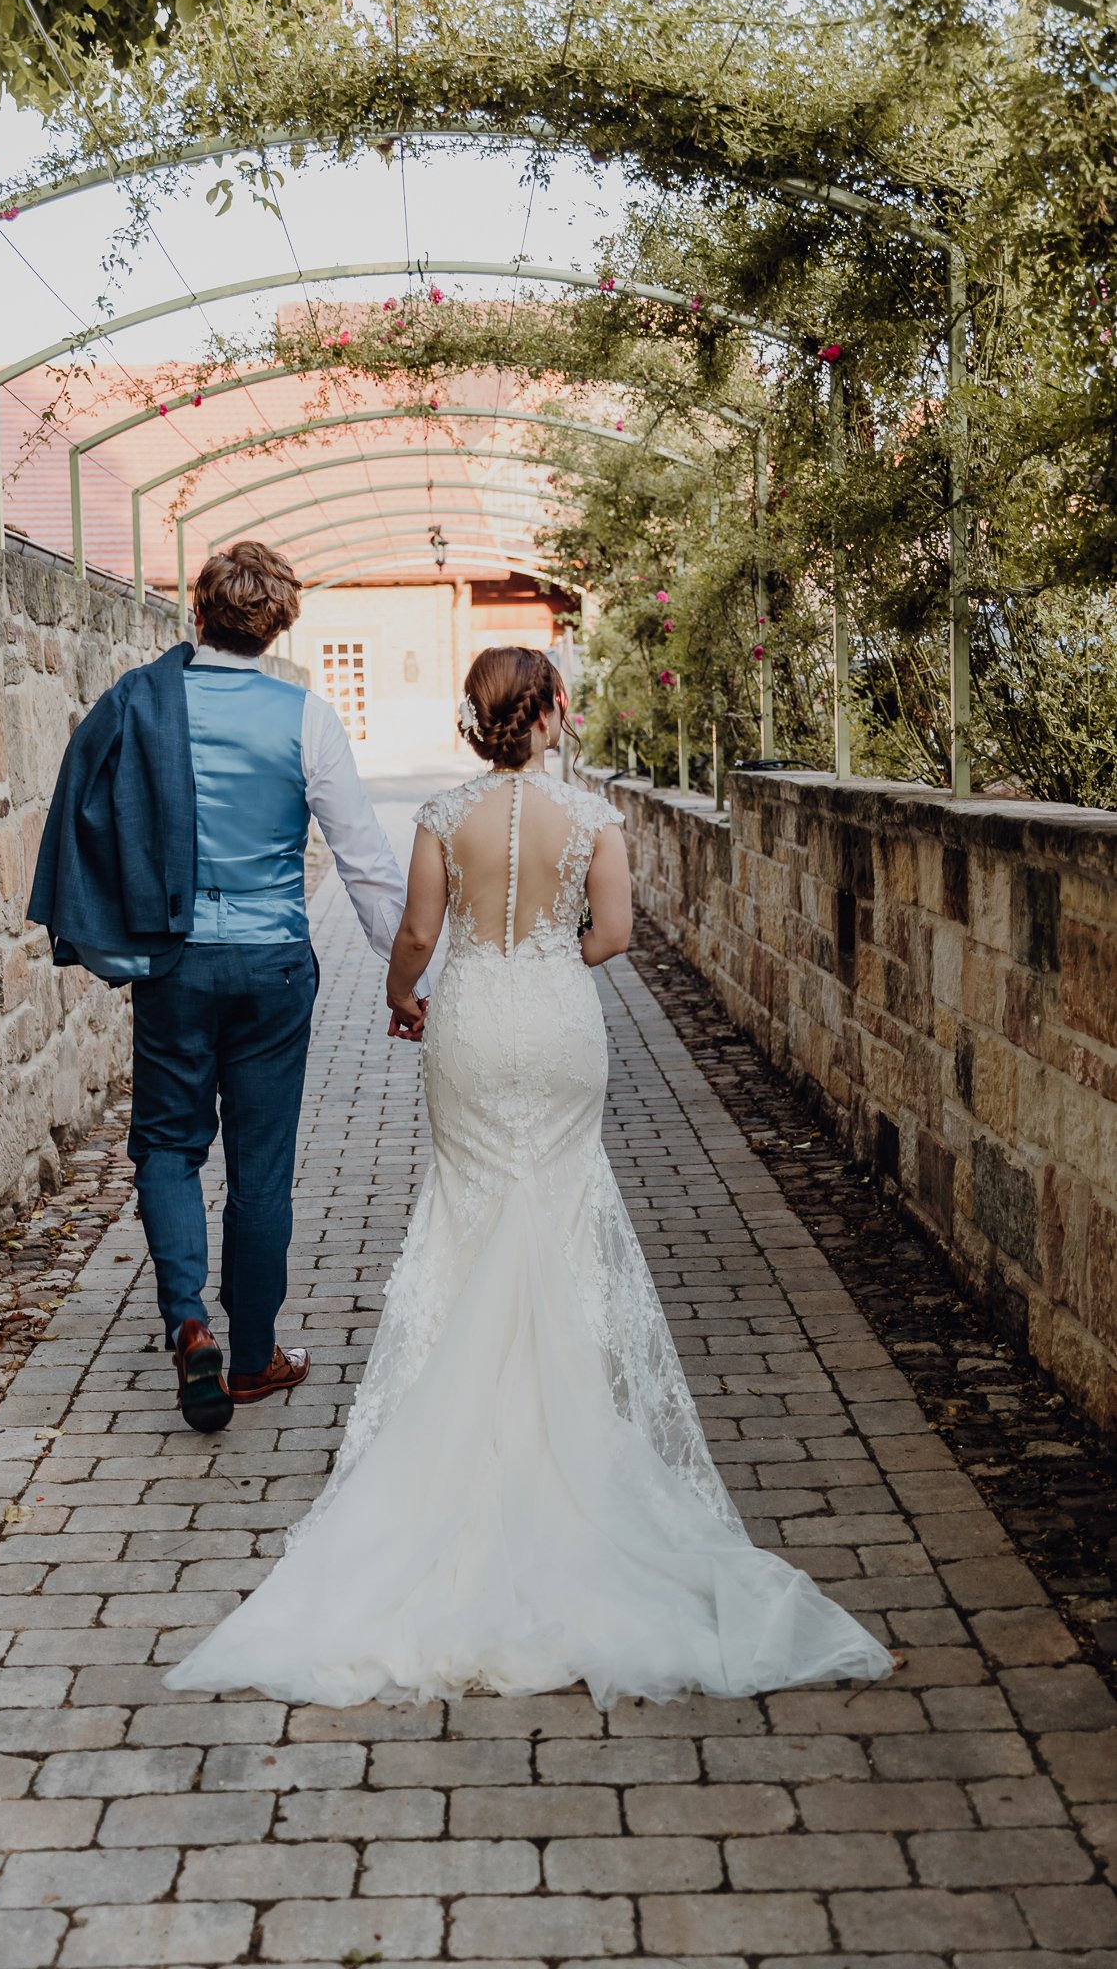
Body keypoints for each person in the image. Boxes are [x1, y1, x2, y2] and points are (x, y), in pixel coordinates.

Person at [166, 645, 893, 1708]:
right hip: (556, 1025)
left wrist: (405, 995)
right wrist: (552, 953)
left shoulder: (442, 814)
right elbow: (614, 935)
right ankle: (563, 1449)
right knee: (556, 1214)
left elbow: (415, 931)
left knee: (466, 1215)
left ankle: (466, 1458)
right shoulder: (595, 820)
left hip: (468, 1021)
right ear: (552, 713)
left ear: (475, 717)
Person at [27, 543, 422, 1434]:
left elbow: (89, 807)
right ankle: (253, 1362)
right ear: (279, 623)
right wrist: (408, 979)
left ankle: (188, 1323)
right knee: (262, 1166)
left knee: (167, 1146)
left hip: (174, 962)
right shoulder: (306, 718)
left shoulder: (142, 701)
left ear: (196, 616)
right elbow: (363, 865)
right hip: (277, 964)